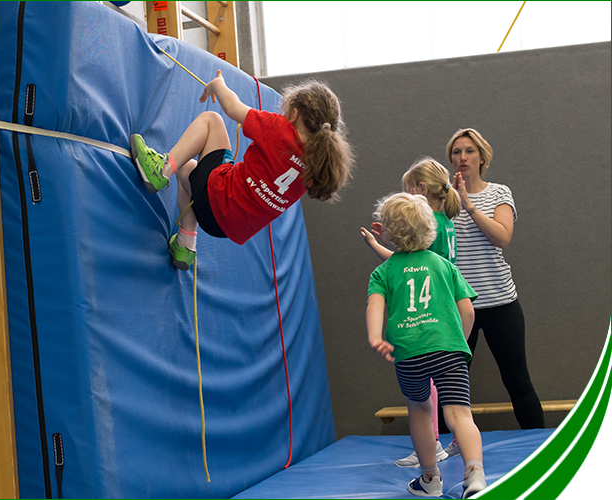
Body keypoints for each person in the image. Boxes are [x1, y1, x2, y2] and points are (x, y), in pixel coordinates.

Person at [130, 70, 353, 270]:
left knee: (212, 120)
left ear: (294, 114)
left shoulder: (279, 129)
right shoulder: (315, 169)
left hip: (215, 196)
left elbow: (231, 106)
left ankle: (161, 169)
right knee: (187, 170)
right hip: (225, 229)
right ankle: (185, 245)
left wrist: (218, 85)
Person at [366, 192, 486, 498]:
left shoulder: (384, 270)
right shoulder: (444, 265)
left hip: (409, 354)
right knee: (459, 415)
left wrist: (376, 336)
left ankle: (430, 479)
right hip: (448, 349)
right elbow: (468, 311)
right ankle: (475, 474)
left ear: (389, 232)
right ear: (430, 228)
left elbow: (375, 304)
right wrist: (459, 341)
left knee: (420, 409)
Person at [446, 128, 545, 444]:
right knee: (450, 385)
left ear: (481, 157)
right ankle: (443, 449)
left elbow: (503, 237)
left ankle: (537, 444)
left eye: (469, 151)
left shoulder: (499, 193)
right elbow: (426, 239)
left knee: (518, 380)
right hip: (459, 306)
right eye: (457, 152)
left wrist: (469, 205)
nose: (463, 157)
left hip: (501, 303)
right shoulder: (443, 198)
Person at [360, 157, 461, 468]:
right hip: (445, 314)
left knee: (423, 394)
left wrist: (379, 244)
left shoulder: (434, 229)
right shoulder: (444, 222)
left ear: (421, 190)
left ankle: (431, 445)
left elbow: (403, 265)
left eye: (407, 192)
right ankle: (444, 444)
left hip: (429, 316)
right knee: (445, 393)